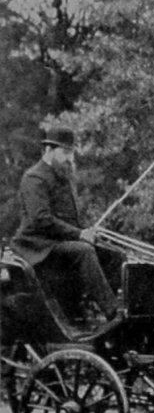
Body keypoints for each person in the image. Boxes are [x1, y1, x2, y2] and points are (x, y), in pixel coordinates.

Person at [11, 125, 119, 326]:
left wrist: (88, 231)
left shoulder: (62, 178)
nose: (70, 158)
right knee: (84, 251)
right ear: (49, 151)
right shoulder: (34, 178)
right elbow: (41, 219)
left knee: (112, 251)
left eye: (71, 153)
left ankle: (117, 310)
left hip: (58, 244)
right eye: (65, 152)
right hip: (38, 247)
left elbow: (69, 219)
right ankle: (112, 312)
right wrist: (79, 234)